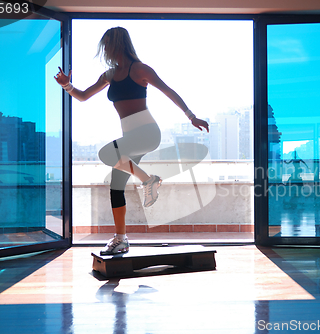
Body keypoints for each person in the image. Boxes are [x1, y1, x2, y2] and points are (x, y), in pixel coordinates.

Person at [54, 27, 209, 255]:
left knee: (105, 154)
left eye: (107, 44)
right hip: (130, 138)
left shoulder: (140, 70)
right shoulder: (109, 75)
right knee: (116, 186)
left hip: (146, 133)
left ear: (118, 44)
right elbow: (84, 96)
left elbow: (168, 91)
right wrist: (67, 85)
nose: (104, 49)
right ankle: (121, 238)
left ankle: (148, 180)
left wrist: (191, 116)